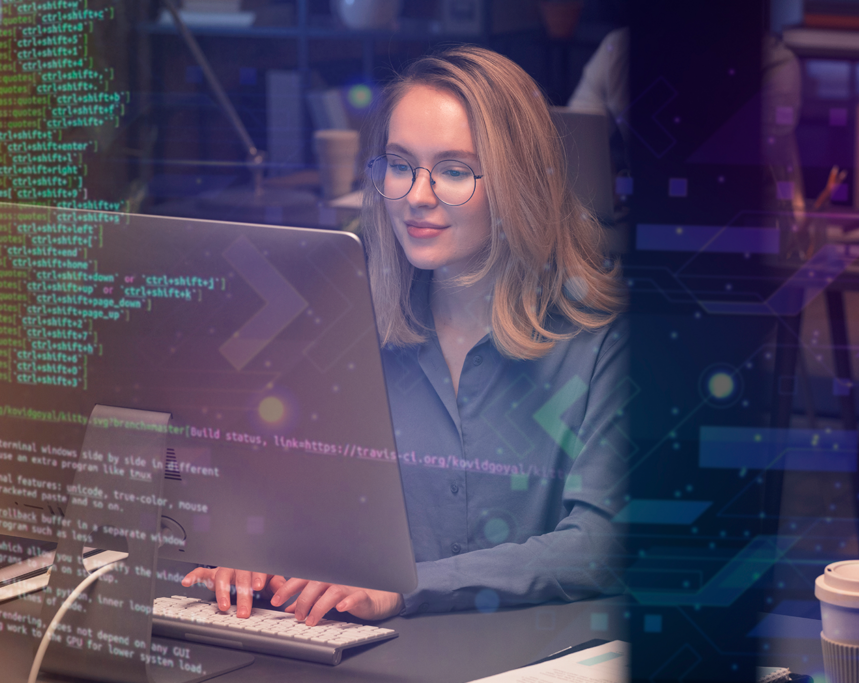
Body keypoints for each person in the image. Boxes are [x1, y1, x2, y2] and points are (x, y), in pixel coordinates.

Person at [183, 45, 628, 626]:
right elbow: (293, 498)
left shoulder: (600, 343)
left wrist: (403, 588)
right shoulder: (344, 326)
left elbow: (602, 544)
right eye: (400, 164)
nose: (417, 195)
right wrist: (253, 551)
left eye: (454, 170)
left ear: (523, 184)